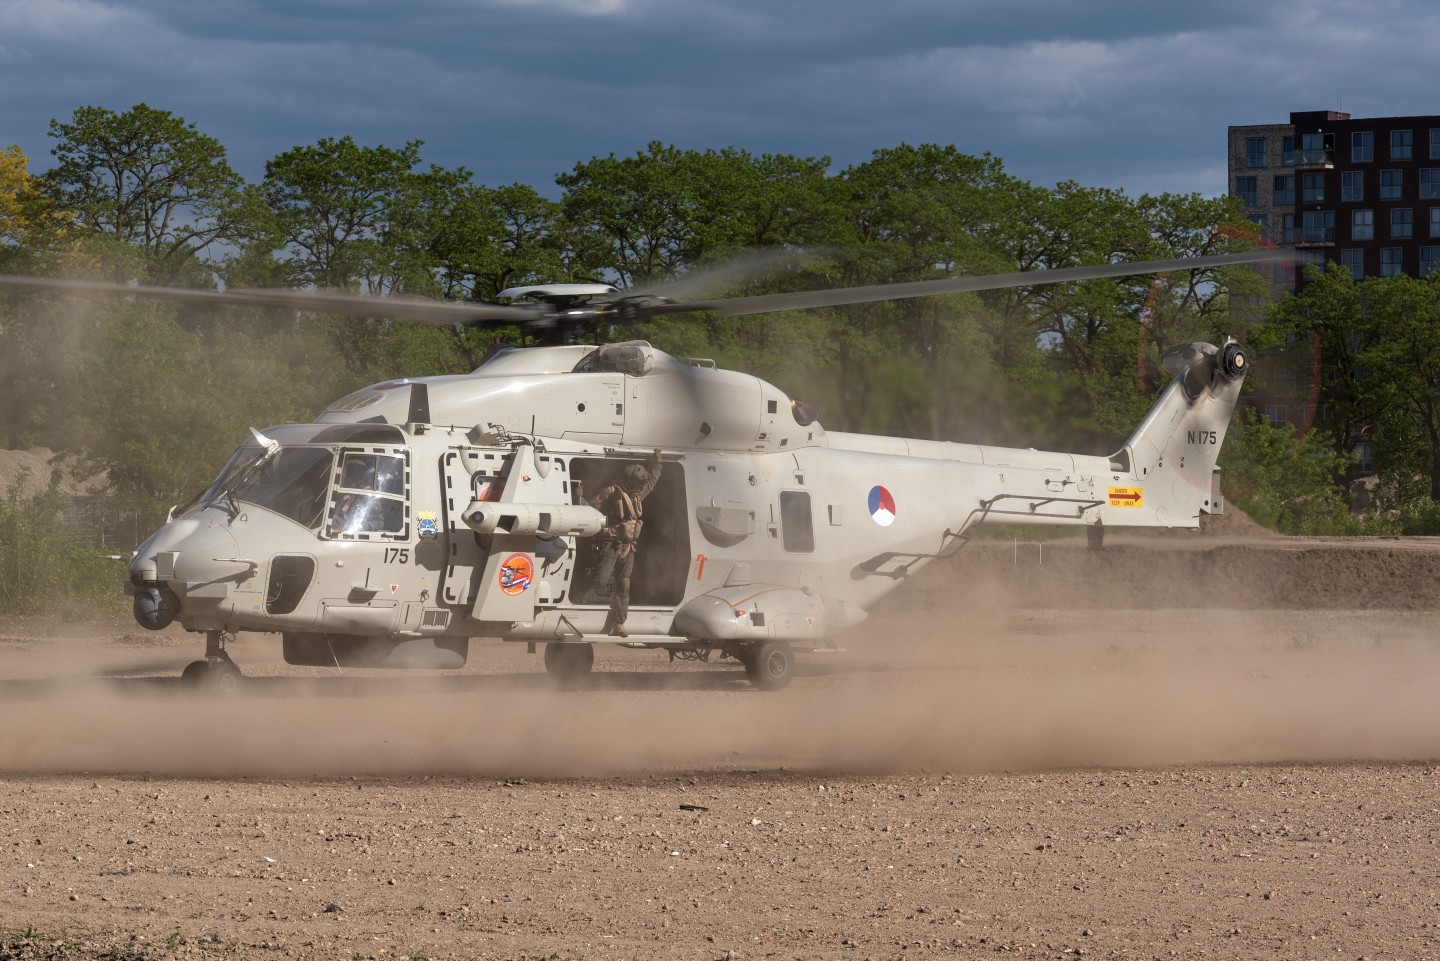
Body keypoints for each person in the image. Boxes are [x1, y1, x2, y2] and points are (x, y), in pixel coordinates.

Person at [589, 450, 662, 637]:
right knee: (600, 581)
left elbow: (652, 482)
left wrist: (657, 462)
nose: (640, 486)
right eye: (638, 482)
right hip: (610, 544)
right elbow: (589, 510)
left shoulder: (637, 495)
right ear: (629, 480)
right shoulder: (610, 493)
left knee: (624, 585)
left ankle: (619, 622)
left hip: (628, 547)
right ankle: (582, 606)